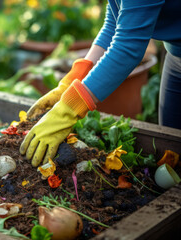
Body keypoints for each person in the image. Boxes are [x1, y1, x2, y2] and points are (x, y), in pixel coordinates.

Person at [20, 0, 181, 167]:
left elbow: (128, 48)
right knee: (173, 147)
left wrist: (69, 109)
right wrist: (72, 81)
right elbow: (114, 25)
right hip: (176, 56)